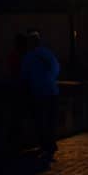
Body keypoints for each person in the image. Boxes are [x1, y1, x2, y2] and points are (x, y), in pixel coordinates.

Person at [20, 30, 60, 158]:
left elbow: (24, 75)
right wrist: (50, 79)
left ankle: (45, 145)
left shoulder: (29, 56)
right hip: (52, 90)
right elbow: (56, 68)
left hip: (38, 91)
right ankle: (51, 143)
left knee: (41, 120)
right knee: (51, 120)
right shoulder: (47, 53)